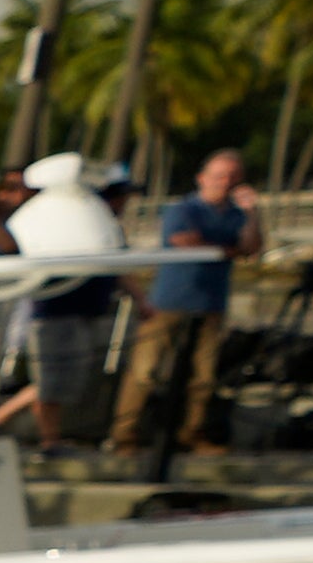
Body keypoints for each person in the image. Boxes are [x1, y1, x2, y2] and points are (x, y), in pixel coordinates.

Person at [111, 148, 261, 467]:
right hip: (168, 300)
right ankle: (124, 435)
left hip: (211, 304)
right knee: (145, 371)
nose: (225, 182)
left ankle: (192, 434)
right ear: (202, 178)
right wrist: (228, 251)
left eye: (232, 177)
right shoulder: (183, 208)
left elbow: (252, 248)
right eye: (220, 176)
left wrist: (252, 214)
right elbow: (184, 241)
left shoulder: (235, 214)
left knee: (204, 375)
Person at [12, 152, 128, 450]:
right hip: (55, 311)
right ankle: (44, 437)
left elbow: (118, 264)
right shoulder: (52, 215)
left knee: (62, 379)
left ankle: (41, 434)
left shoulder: (91, 213)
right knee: (52, 380)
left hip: (86, 309)